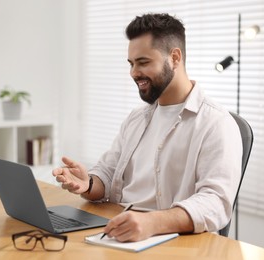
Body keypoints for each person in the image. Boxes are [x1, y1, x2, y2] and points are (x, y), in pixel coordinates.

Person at [53, 13, 242, 242]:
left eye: (143, 62)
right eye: (131, 64)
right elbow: (108, 172)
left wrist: (152, 222)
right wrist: (89, 183)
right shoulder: (136, 118)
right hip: (120, 233)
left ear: (174, 57)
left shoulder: (216, 123)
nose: (134, 73)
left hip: (174, 243)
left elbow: (216, 203)